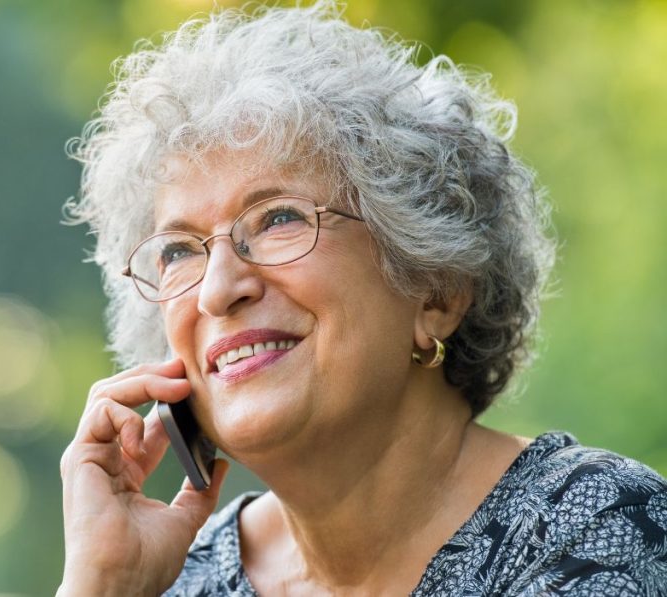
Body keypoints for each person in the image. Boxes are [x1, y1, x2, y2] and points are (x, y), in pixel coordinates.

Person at [57, 3, 667, 594]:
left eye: (277, 219)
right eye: (179, 251)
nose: (218, 290)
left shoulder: (595, 527)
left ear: (435, 288)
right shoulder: (174, 578)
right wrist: (102, 588)